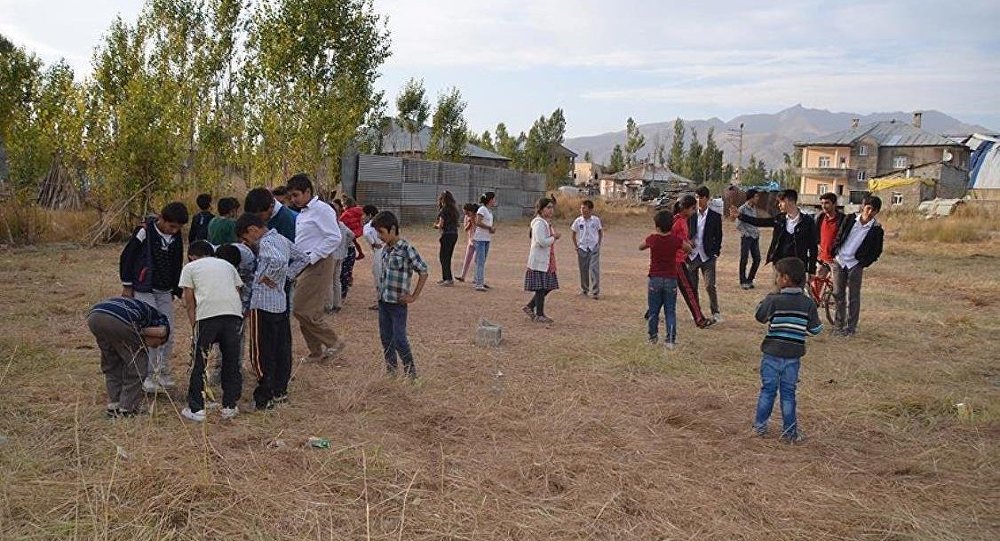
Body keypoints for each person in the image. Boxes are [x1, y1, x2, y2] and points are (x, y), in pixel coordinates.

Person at [235, 213, 309, 410]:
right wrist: (286, 278)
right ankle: (280, 392)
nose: (247, 243)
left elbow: (277, 261)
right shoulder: (282, 239)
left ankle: (263, 397)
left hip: (262, 304)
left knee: (261, 352)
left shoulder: (266, 243)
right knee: (281, 348)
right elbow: (303, 258)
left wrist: (272, 277)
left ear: (252, 230)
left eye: (246, 238)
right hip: (280, 303)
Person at [119, 201, 189, 392]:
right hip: (144, 288)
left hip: (165, 290)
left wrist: (177, 288)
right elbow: (127, 257)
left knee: (169, 331)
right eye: (171, 226)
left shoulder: (175, 238)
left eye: (178, 228)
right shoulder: (144, 232)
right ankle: (148, 376)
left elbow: (176, 263)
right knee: (151, 331)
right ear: (161, 219)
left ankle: (163, 372)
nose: (174, 231)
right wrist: (127, 285)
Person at [752, 257, 823, 443]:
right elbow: (816, 329)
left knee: (768, 390)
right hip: (793, 356)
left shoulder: (774, 299)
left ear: (784, 279)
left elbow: (760, 316)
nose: (775, 279)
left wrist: (767, 299)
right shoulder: (808, 303)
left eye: (777, 276)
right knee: (788, 393)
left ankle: (760, 427)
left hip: (772, 354)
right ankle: (790, 432)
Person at [178, 241, 244, 422]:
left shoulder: (190, 268)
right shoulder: (227, 265)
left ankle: (197, 408)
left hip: (207, 316)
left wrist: (194, 325)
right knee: (231, 360)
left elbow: (189, 301)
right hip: (233, 314)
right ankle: (230, 405)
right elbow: (238, 290)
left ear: (191, 255)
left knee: (200, 361)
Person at [287, 173, 347, 362]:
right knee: (307, 310)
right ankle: (316, 352)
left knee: (300, 308)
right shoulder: (303, 212)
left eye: (296, 195)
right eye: (292, 196)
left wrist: (313, 257)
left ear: (307, 192)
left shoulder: (322, 210)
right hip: (304, 263)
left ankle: (334, 342)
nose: (294, 199)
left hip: (318, 263)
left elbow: (334, 237)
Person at [87, 297, 170, 417]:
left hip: (94, 316)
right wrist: (139, 334)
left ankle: (114, 406)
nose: (154, 347)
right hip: (119, 319)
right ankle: (128, 409)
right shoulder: (160, 320)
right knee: (137, 365)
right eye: (157, 344)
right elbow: (161, 332)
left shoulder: (143, 311)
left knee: (112, 362)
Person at [372, 210, 429, 379]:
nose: (379, 236)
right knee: (386, 338)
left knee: (399, 340)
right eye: (377, 233)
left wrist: (413, 296)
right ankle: (391, 371)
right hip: (383, 302)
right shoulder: (384, 250)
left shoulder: (407, 249)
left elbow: (424, 271)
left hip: (398, 305)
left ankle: (410, 373)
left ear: (393, 229)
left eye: (381, 232)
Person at [731, 189, 818, 280]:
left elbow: (813, 247)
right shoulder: (779, 219)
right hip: (779, 263)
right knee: (779, 290)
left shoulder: (807, 222)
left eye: (781, 201)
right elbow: (759, 222)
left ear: (790, 201)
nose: (779, 205)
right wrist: (740, 216)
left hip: (798, 265)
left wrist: (812, 270)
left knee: (796, 291)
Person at [830, 195, 884, 337]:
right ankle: (838, 326)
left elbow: (876, 251)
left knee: (853, 297)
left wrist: (863, 262)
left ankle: (851, 327)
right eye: (868, 208)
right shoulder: (849, 219)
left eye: (874, 210)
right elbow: (839, 235)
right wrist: (835, 251)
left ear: (877, 212)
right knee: (838, 294)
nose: (870, 212)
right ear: (863, 206)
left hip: (855, 264)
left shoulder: (876, 229)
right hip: (840, 260)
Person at [640, 209, 682, 349]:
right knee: (670, 310)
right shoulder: (675, 240)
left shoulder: (653, 239)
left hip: (655, 278)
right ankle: (670, 339)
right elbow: (688, 248)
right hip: (670, 278)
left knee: (653, 310)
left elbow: (641, 247)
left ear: (657, 226)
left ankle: (653, 337)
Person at [672, 195, 714, 329]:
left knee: (667, 288)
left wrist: (688, 243)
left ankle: (651, 312)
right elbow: (669, 239)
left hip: (680, 258)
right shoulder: (676, 221)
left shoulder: (684, 220)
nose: (694, 211)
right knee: (689, 290)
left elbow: (682, 238)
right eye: (692, 209)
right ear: (685, 208)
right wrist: (684, 246)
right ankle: (699, 319)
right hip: (677, 261)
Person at [686, 186, 723, 321]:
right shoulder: (690, 215)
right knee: (692, 286)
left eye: (701, 197)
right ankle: (696, 311)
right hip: (692, 255)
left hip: (707, 256)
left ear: (707, 199)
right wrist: (688, 242)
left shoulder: (715, 216)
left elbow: (718, 236)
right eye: (696, 197)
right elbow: (685, 233)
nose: (698, 200)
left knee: (709, 285)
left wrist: (715, 253)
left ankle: (715, 311)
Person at [522, 197, 560, 323]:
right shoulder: (538, 223)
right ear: (541, 209)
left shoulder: (545, 222)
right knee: (541, 287)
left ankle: (530, 307)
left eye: (552, 207)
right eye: (548, 207)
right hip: (540, 260)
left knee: (547, 286)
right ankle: (539, 313)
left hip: (547, 259)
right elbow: (542, 241)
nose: (551, 210)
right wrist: (554, 238)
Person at [571, 199, 603, 299]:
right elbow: (573, 233)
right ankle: (584, 289)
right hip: (583, 247)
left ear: (590, 210)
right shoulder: (578, 221)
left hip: (593, 247)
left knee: (594, 269)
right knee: (583, 269)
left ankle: (595, 292)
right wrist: (576, 246)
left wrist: (598, 244)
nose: (582, 210)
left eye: (584, 208)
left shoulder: (596, 220)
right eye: (581, 208)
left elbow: (600, 232)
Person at [815, 192, 845, 292]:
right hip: (822, 259)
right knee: (815, 286)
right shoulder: (820, 218)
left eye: (827, 203)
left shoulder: (843, 220)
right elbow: (816, 235)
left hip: (836, 260)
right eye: (822, 203)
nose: (824, 206)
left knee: (836, 289)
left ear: (834, 204)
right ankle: (815, 305)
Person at [326, 217, 355, 313]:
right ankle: (337, 303)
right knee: (336, 280)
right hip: (341, 254)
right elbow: (352, 234)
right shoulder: (341, 224)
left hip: (332, 255)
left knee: (329, 280)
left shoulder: (330, 225)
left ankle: (329, 305)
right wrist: (345, 245)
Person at [737, 189, 763, 290]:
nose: (757, 199)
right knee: (744, 259)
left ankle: (750, 280)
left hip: (755, 237)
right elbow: (739, 225)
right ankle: (743, 281)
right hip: (747, 237)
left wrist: (756, 232)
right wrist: (747, 234)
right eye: (756, 197)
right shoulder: (742, 209)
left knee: (757, 259)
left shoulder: (754, 209)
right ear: (751, 197)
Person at [433, 190, 461, 286]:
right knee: (448, 257)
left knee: (443, 257)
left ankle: (448, 278)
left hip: (446, 235)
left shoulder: (444, 210)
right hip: (454, 234)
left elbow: (441, 224)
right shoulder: (454, 210)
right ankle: (446, 277)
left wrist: (436, 226)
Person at [472, 192, 497, 291]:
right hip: (480, 238)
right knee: (480, 261)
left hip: (486, 238)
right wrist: (489, 227)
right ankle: (479, 283)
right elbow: (478, 222)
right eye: (494, 199)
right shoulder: (482, 209)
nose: (495, 201)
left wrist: (491, 229)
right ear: (490, 200)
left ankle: (478, 279)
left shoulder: (489, 211)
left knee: (481, 260)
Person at [361, 204, 383, 311]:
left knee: (378, 276)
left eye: (364, 214)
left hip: (379, 251)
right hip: (386, 249)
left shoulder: (368, 226)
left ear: (369, 215)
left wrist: (373, 243)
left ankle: (381, 301)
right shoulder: (382, 222)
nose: (362, 217)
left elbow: (367, 235)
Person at [455, 203, 479, 283]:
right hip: (471, 240)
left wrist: (472, 220)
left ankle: (476, 277)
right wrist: (469, 222)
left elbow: (476, 228)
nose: (466, 214)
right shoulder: (466, 217)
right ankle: (463, 276)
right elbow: (466, 229)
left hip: (478, 240)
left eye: (467, 213)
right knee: (467, 259)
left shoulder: (477, 216)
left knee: (477, 260)